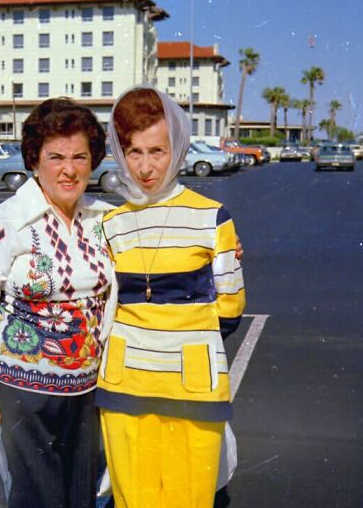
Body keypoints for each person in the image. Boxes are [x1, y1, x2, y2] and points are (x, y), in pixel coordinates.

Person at [0, 97, 115, 508]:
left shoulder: (105, 219)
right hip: (24, 396)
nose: (69, 168)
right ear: (35, 160)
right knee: (36, 500)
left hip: (88, 394)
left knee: (80, 498)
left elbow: (158, 240)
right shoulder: (7, 220)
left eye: (80, 156)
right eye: (56, 156)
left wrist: (219, 248)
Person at [96, 86, 246, 508]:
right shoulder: (109, 223)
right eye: (134, 151)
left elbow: (231, 309)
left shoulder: (211, 216)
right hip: (124, 387)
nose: (145, 166)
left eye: (157, 150)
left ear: (177, 147)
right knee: (132, 499)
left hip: (193, 390)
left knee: (189, 498)